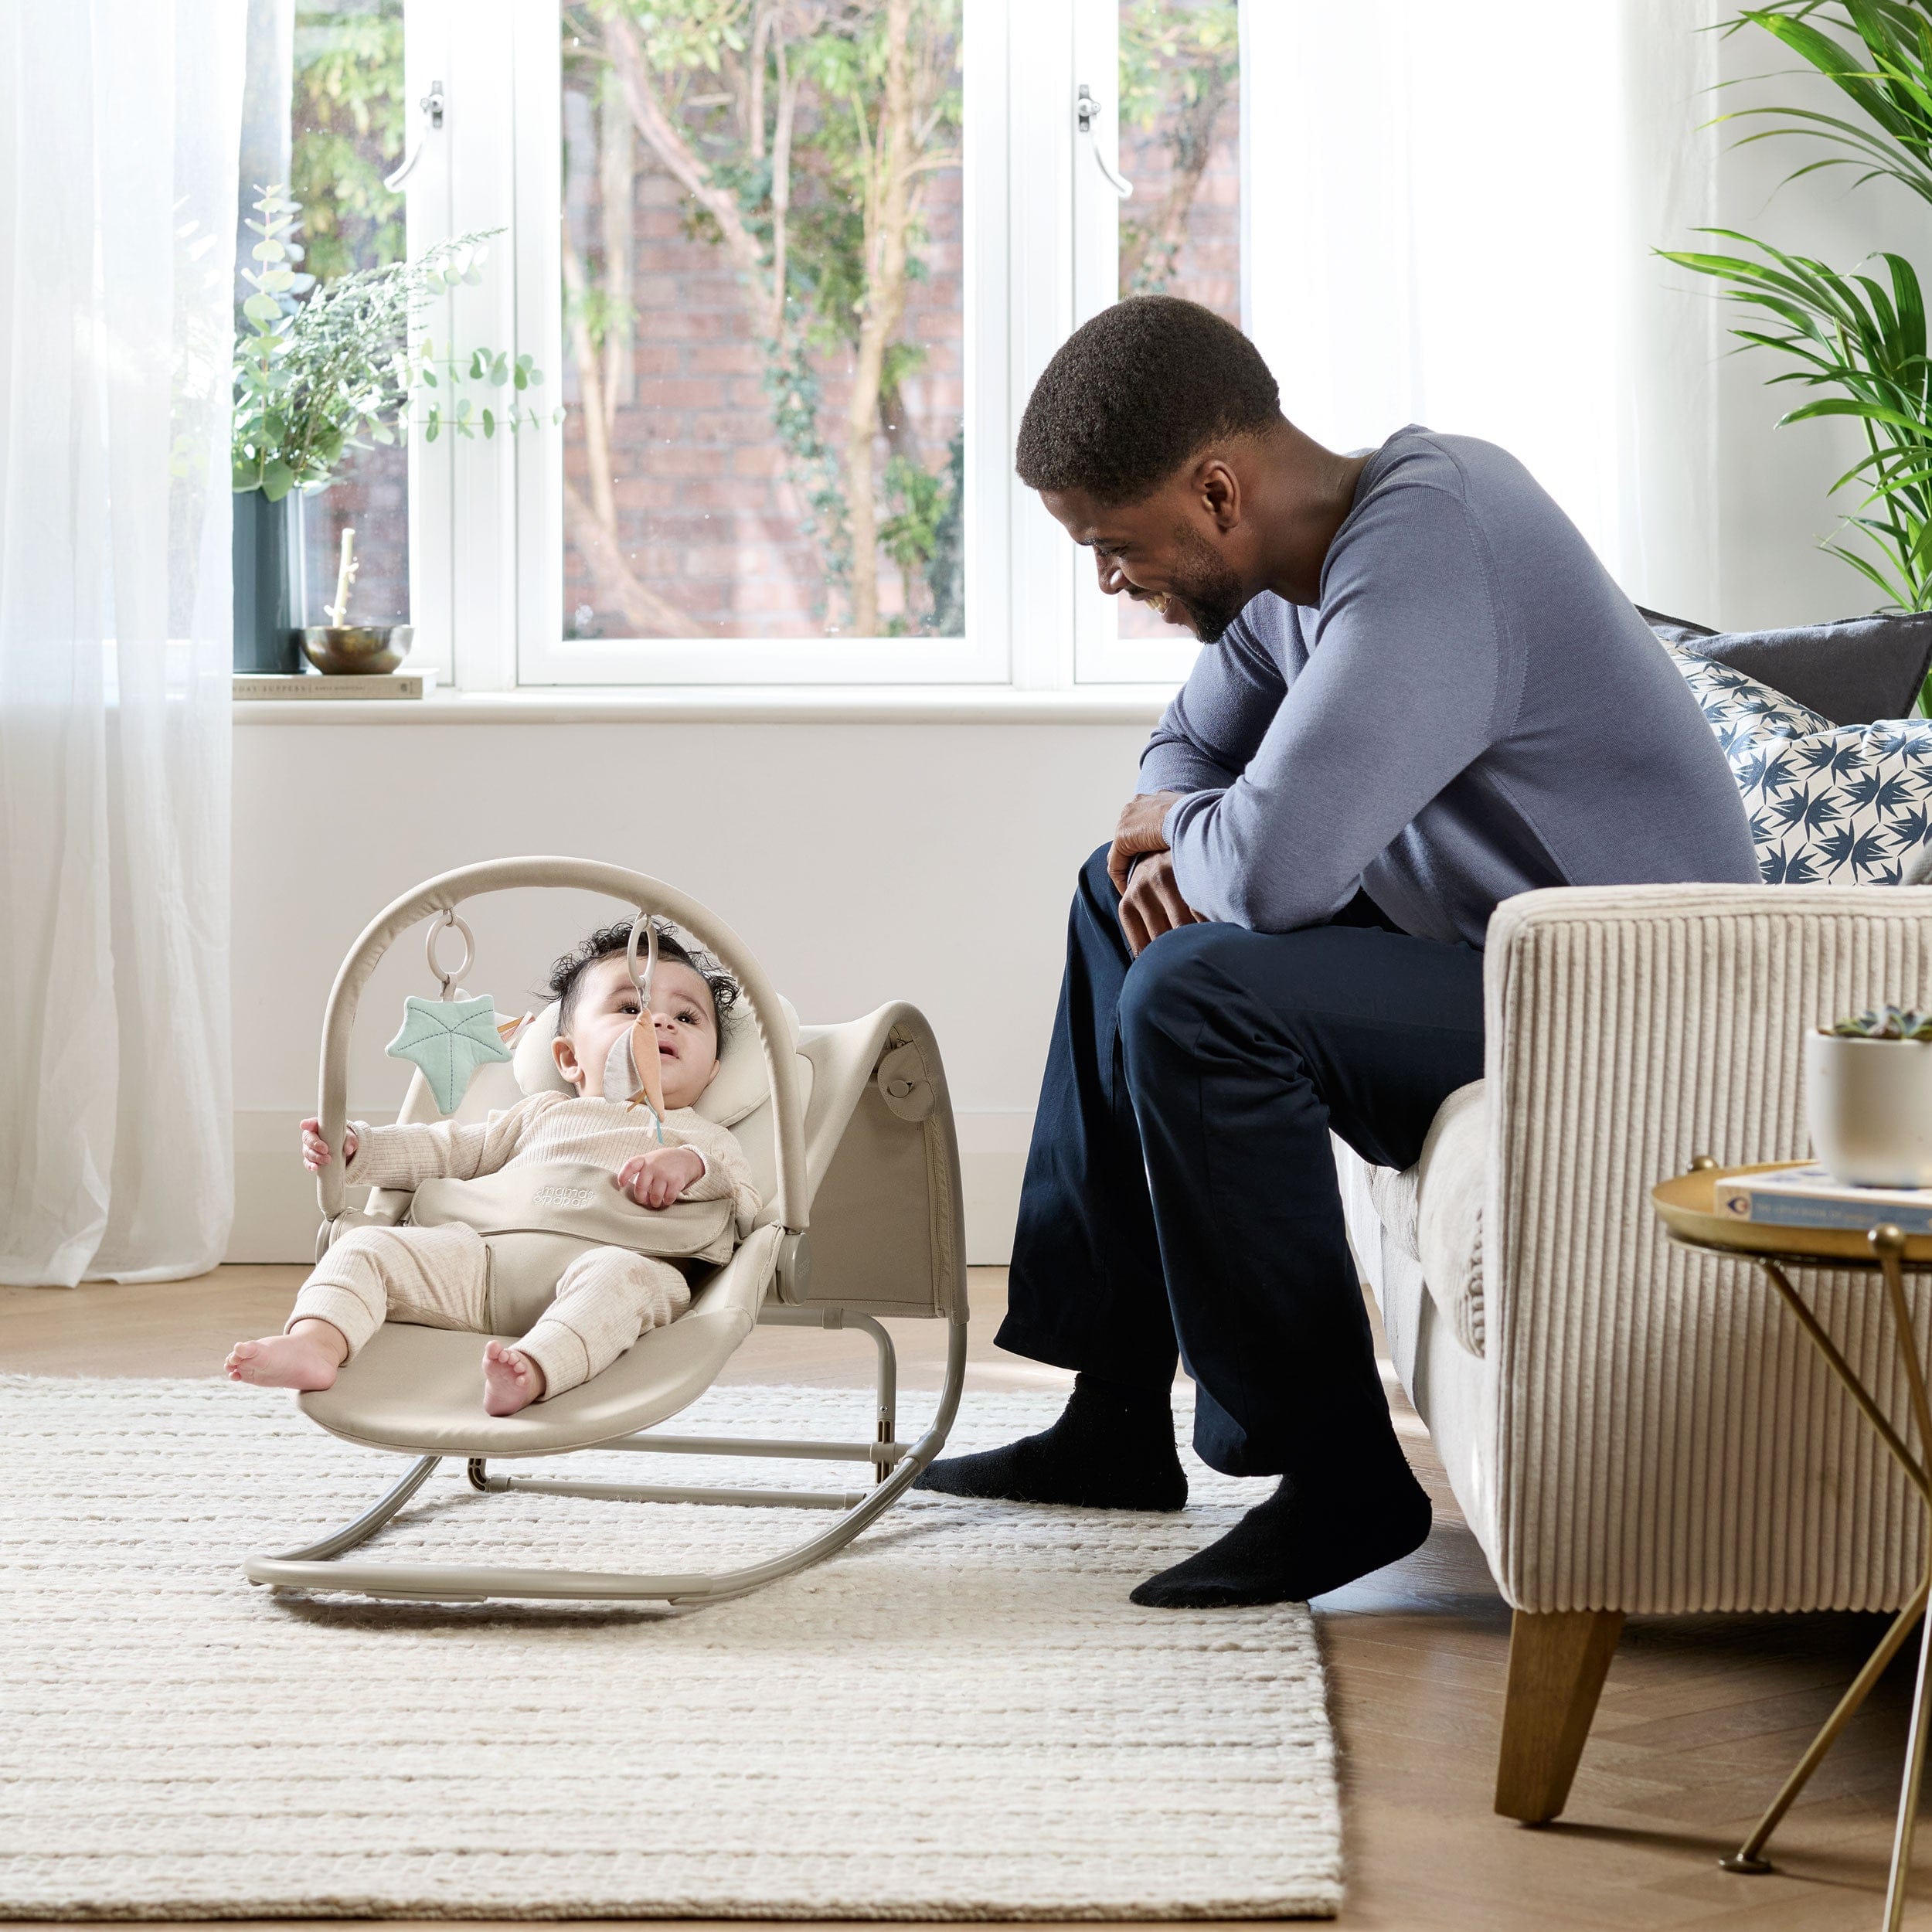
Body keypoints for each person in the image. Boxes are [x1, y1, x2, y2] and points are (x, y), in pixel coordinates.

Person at [918, 296, 1759, 1608]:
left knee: (1200, 991)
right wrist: (1166, 838)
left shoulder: (1432, 543)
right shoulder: (1286, 578)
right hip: (1491, 957)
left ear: (1215, 490)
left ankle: (1341, 1479)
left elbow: (1275, 866)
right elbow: (1182, 755)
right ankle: (1115, 1415)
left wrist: (1189, 835)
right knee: (1114, 894)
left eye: (1114, 545)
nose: (1109, 581)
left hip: (1629, 996)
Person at [224, 923, 760, 1415]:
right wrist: (358, 1149)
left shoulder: (702, 1138)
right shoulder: (541, 1115)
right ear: (569, 1059)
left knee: (626, 1282)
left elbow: (742, 1197)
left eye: (687, 1017)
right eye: (628, 1009)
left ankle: (535, 1367)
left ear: (712, 1070)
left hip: (612, 1260)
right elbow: (447, 1149)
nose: (659, 1021)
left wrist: (689, 1167)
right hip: (481, 1261)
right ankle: (317, 1343)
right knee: (367, 1247)